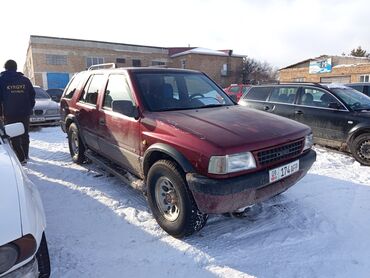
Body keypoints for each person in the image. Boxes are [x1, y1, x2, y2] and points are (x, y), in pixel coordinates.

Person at [0, 59, 35, 164]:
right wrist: (29, 108)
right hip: (24, 113)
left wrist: (1, 114)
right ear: (16, 68)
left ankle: (20, 158)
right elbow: (32, 95)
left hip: (9, 114)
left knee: (13, 134)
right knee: (25, 134)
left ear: (5, 68)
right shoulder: (25, 80)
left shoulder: (1, 80)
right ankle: (26, 155)